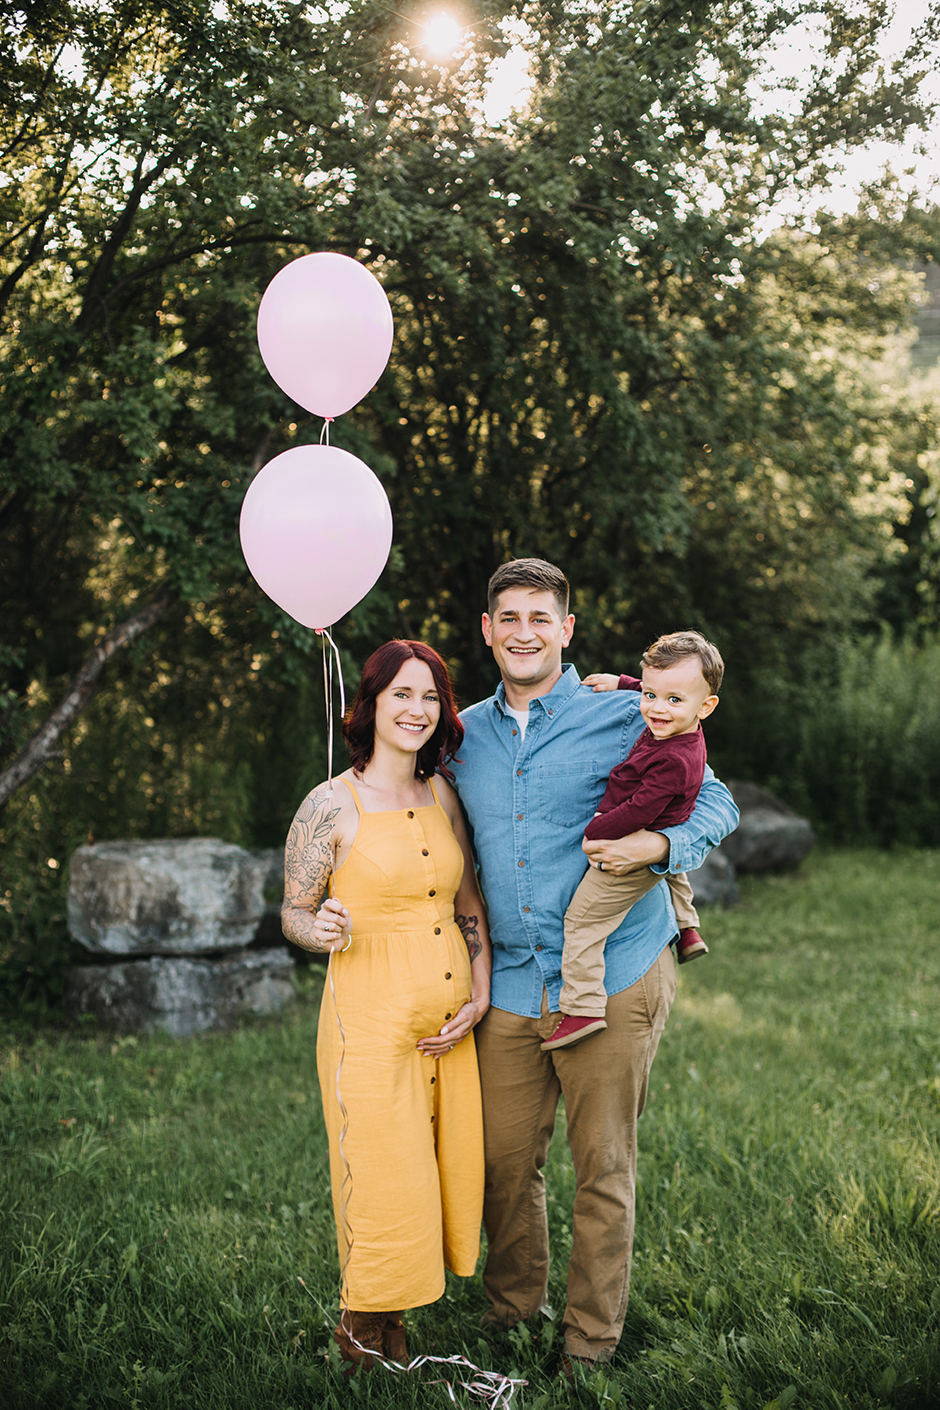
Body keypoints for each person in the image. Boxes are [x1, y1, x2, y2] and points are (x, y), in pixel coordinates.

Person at [449, 559, 738, 1374]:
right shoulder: (461, 734)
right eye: (509, 616)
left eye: (542, 617)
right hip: (507, 982)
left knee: (603, 1170)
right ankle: (513, 1317)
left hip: (613, 973)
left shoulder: (624, 714)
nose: (525, 631)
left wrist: (661, 844)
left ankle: (588, 1346)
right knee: (504, 1166)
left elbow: (717, 802)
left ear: (566, 628)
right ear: (489, 629)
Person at [281, 640, 492, 1375]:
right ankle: (363, 1324)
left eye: (431, 697)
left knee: (439, 1167)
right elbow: (294, 913)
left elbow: (469, 902)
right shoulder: (329, 804)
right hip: (369, 1022)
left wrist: (481, 990)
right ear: (370, 705)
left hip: (448, 1024)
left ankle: (395, 1312)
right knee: (382, 1169)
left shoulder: (443, 795)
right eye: (403, 694)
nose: (417, 710)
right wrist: (321, 928)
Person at [542, 630, 723, 1052]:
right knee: (675, 870)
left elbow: (640, 810)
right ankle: (689, 928)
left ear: (706, 706)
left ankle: (583, 1007)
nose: (657, 708)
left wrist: (597, 827)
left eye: (673, 700)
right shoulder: (680, 727)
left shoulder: (673, 759)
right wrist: (622, 683)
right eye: (649, 695)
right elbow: (655, 687)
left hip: (636, 840)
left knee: (583, 921)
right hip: (671, 820)